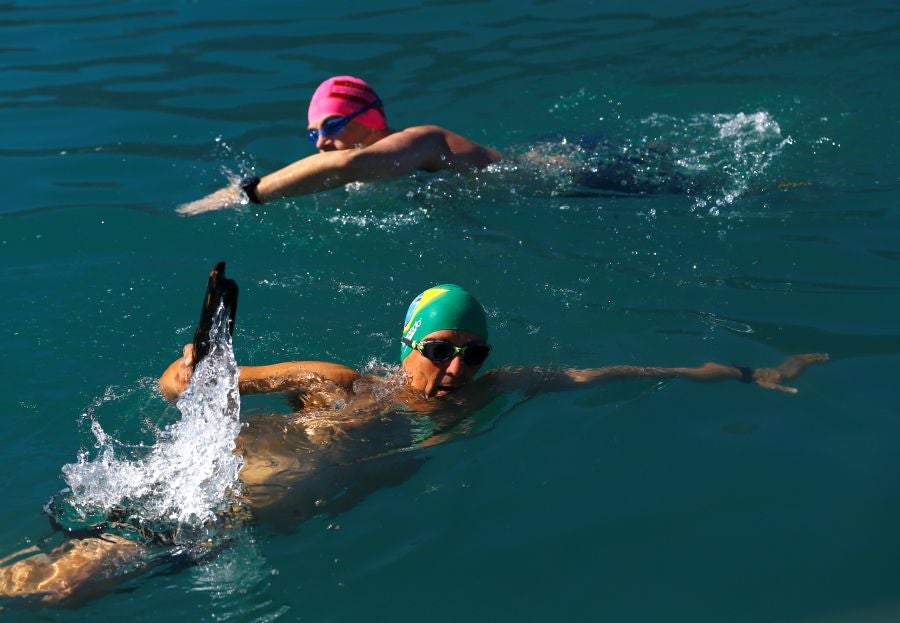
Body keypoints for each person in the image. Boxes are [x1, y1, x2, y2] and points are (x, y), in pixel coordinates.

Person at [0, 283, 827, 605]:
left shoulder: (496, 392)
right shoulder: (337, 382)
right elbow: (189, 387)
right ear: (408, 344)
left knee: (59, 585)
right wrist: (188, 369)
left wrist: (750, 375)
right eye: (441, 348)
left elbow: (611, 371)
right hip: (204, 500)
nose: (458, 364)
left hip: (234, 530)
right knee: (52, 586)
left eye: (472, 351)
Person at [176, 76, 504, 216]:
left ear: (371, 118)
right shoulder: (385, 169)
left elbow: (346, 165)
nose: (321, 142)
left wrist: (244, 193)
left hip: (540, 180)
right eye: (312, 133)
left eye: (332, 125)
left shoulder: (425, 139)